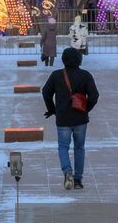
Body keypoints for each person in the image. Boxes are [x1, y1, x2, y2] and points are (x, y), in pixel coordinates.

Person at [42, 47, 100, 190]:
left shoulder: (56, 75)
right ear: (79, 60)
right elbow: (94, 96)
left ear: (63, 60)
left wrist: (52, 109)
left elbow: (45, 92)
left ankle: (67, 171)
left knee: (63, 146)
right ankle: (78, 180)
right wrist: (86, 109)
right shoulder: (86, 75)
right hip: (80, 118)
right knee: (79, 148)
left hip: (63, 118)